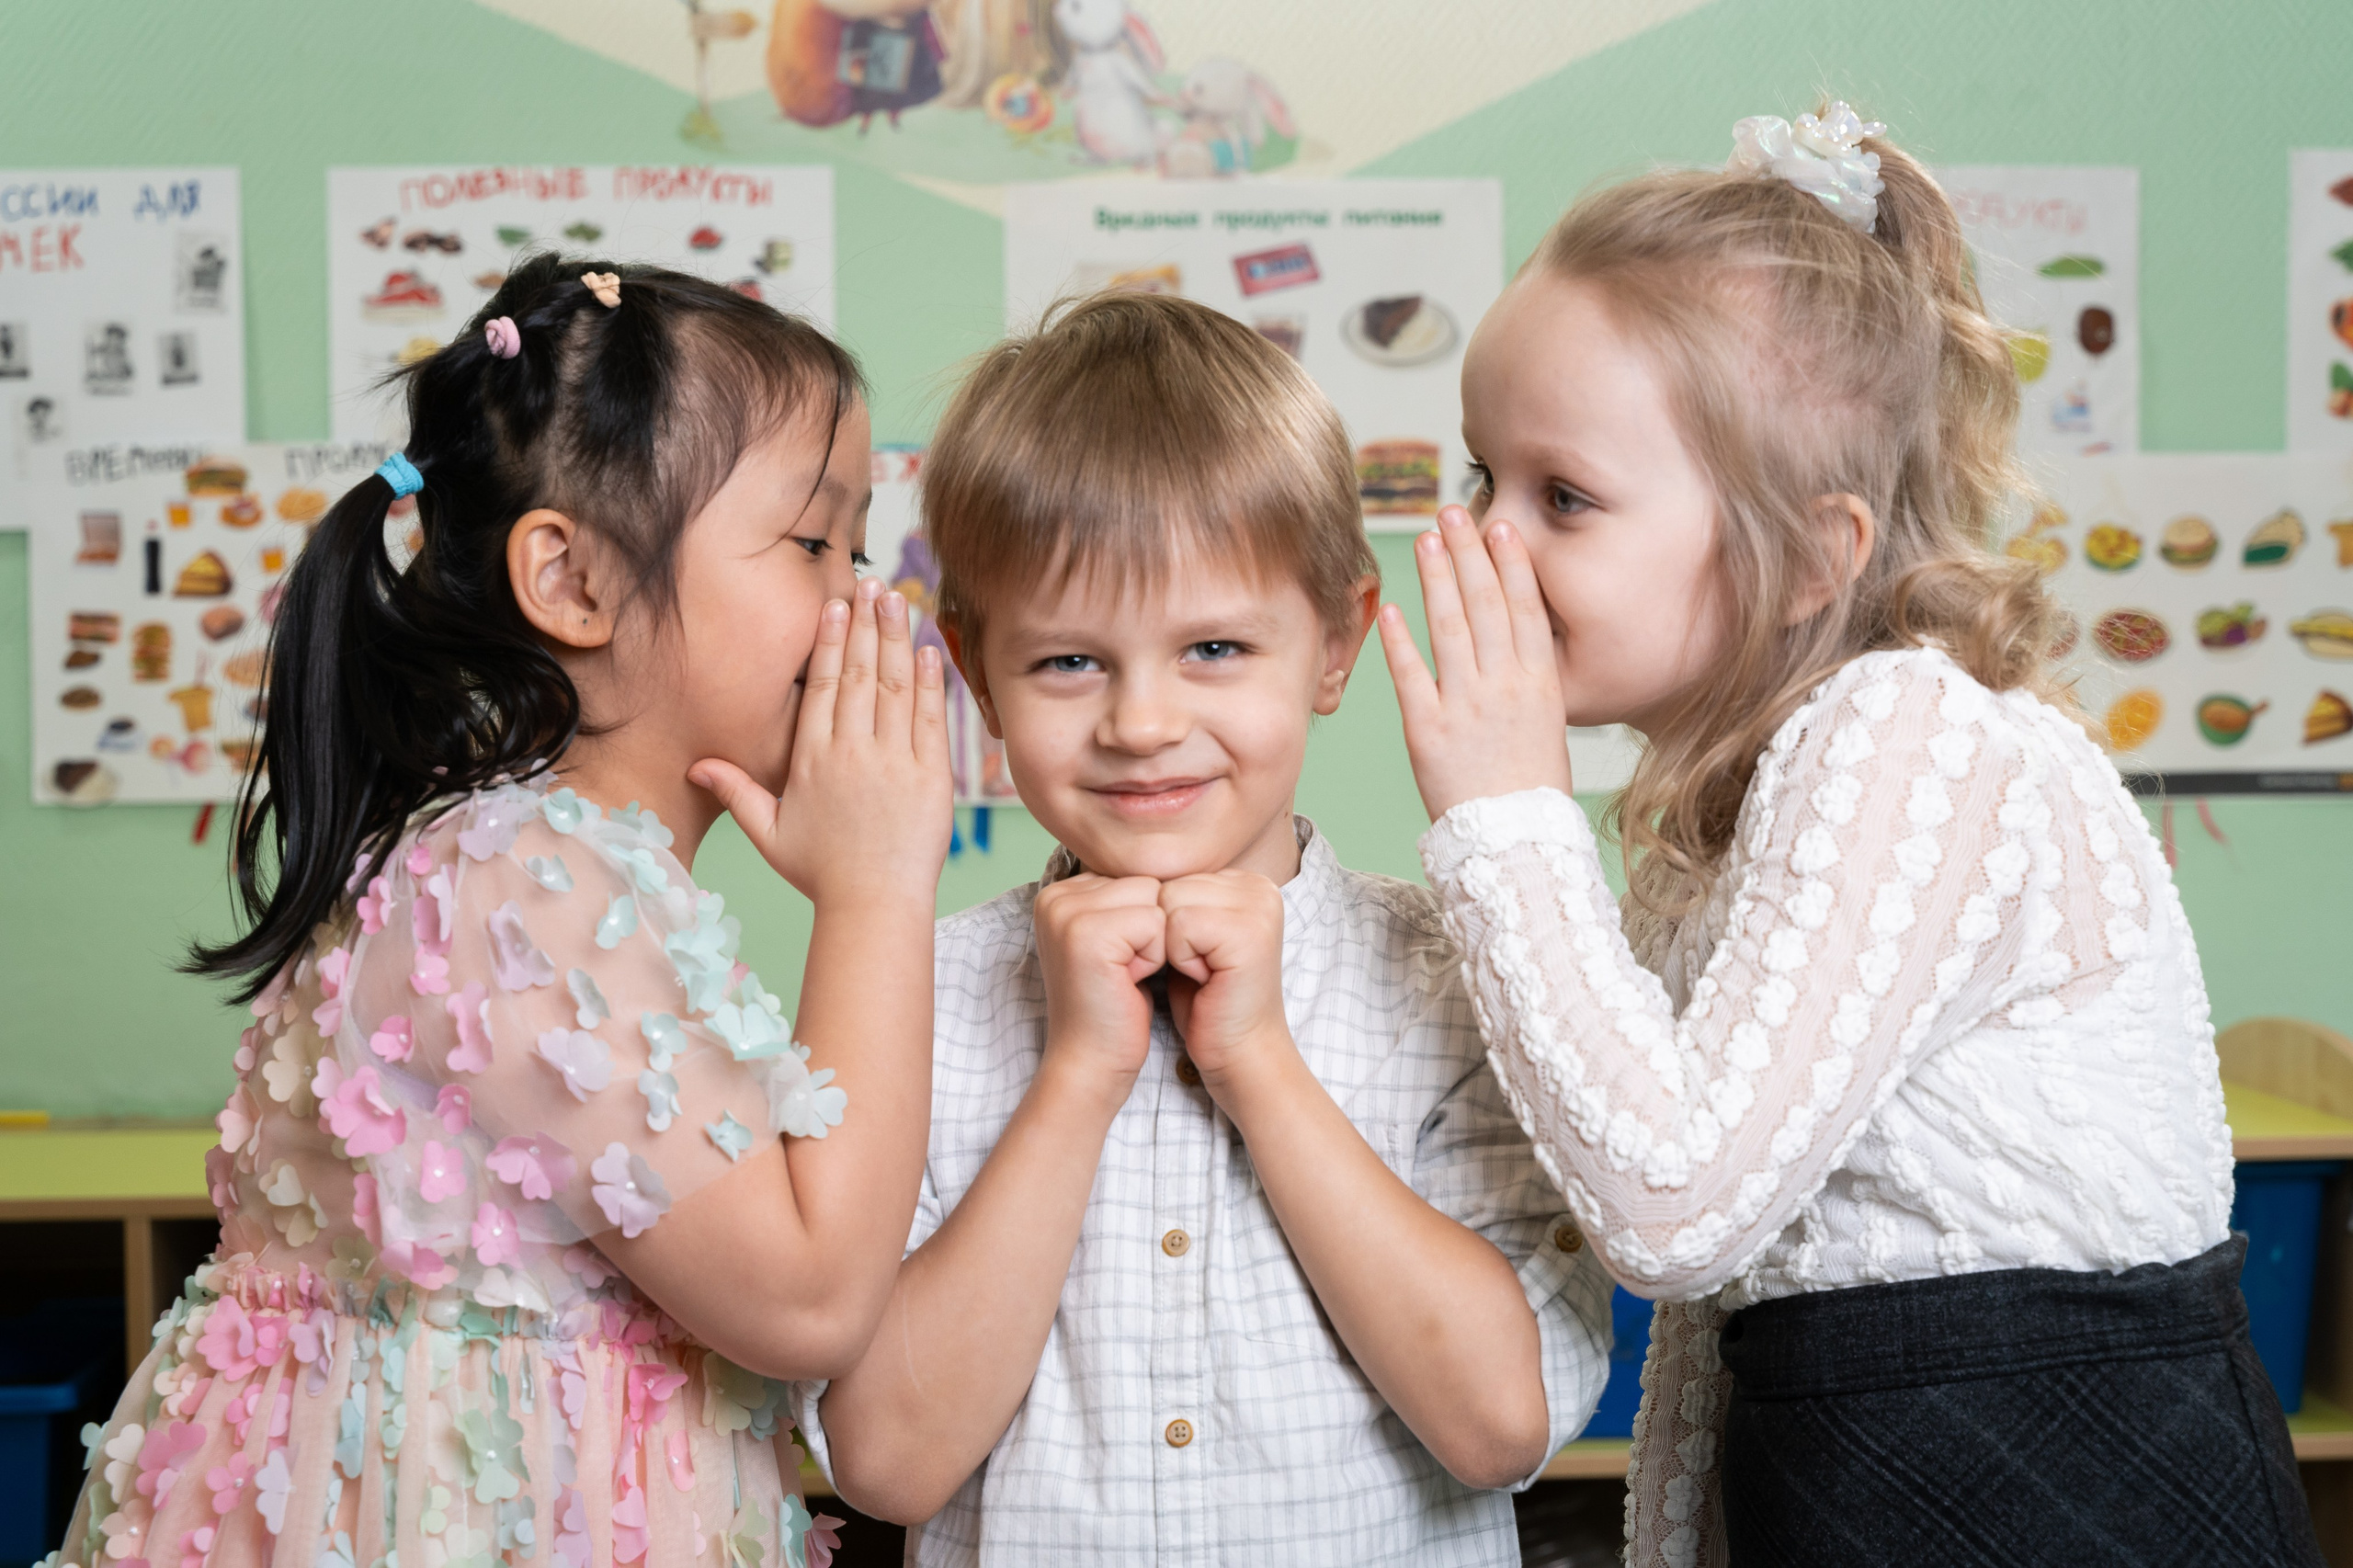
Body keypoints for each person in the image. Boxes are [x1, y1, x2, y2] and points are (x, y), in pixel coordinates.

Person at [1376, 104, 2323, 1568]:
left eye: (1562, 495)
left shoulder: (1910, 732)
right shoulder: (1743, 796)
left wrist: (1507, 813)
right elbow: (1711, 1283)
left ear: (1812, 554)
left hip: (2049, 1488)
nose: (1491, 538)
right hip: (1857, 1474)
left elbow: (1674, 1209)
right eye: (1478, 474)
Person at [50, 256, 952, 1568]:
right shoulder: (528, 883)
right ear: (573, 582)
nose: (861, 599)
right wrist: (880, 886)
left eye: (857, 545)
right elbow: (811, 1295)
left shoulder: (518, 858)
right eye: (814, 541)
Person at [791, 290, 1615, 1566]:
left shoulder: (1468, 977)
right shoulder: (915, 999)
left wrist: (1259, 1063)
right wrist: (1075, 1076)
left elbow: (1501, 1425)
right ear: (976, 670)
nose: (1139, 720)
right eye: (1070, 661)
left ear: (1335, 645)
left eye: (1216, 646)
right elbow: (892, 1463)